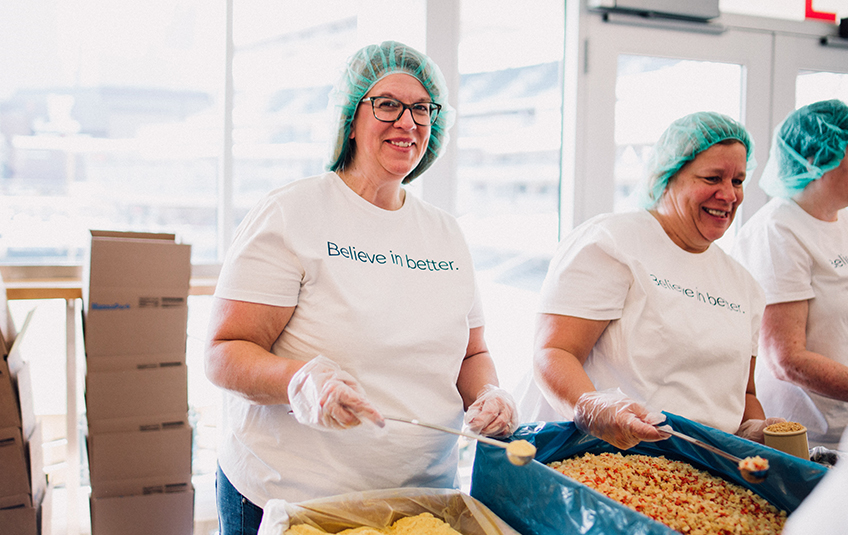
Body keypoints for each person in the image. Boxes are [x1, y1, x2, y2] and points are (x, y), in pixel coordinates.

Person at [204, 41, 518, 534]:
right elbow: (224, 351)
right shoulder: (294, 213)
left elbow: (472, 355)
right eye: (388, 104)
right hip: (293, 501)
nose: (407, 122)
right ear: (351, 119)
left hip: (418, 503)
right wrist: (299, 380)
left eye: (421, 109)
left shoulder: (446, 234)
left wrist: (491, 394)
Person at [519, 111, 781, 450]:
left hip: (704, 473)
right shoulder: (613, 243)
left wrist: (757, 432)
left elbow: (743, 393)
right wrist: (593, 408)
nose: (729, 195)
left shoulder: (743, 285)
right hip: (607, 456)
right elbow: (554, 352)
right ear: (669, 175)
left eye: (738, 181)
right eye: (713, 178)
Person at [731, 99, 848, 450]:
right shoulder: (777, 231)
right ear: (818, 159)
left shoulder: (840, 219)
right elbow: (787, 360)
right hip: (808, 437)